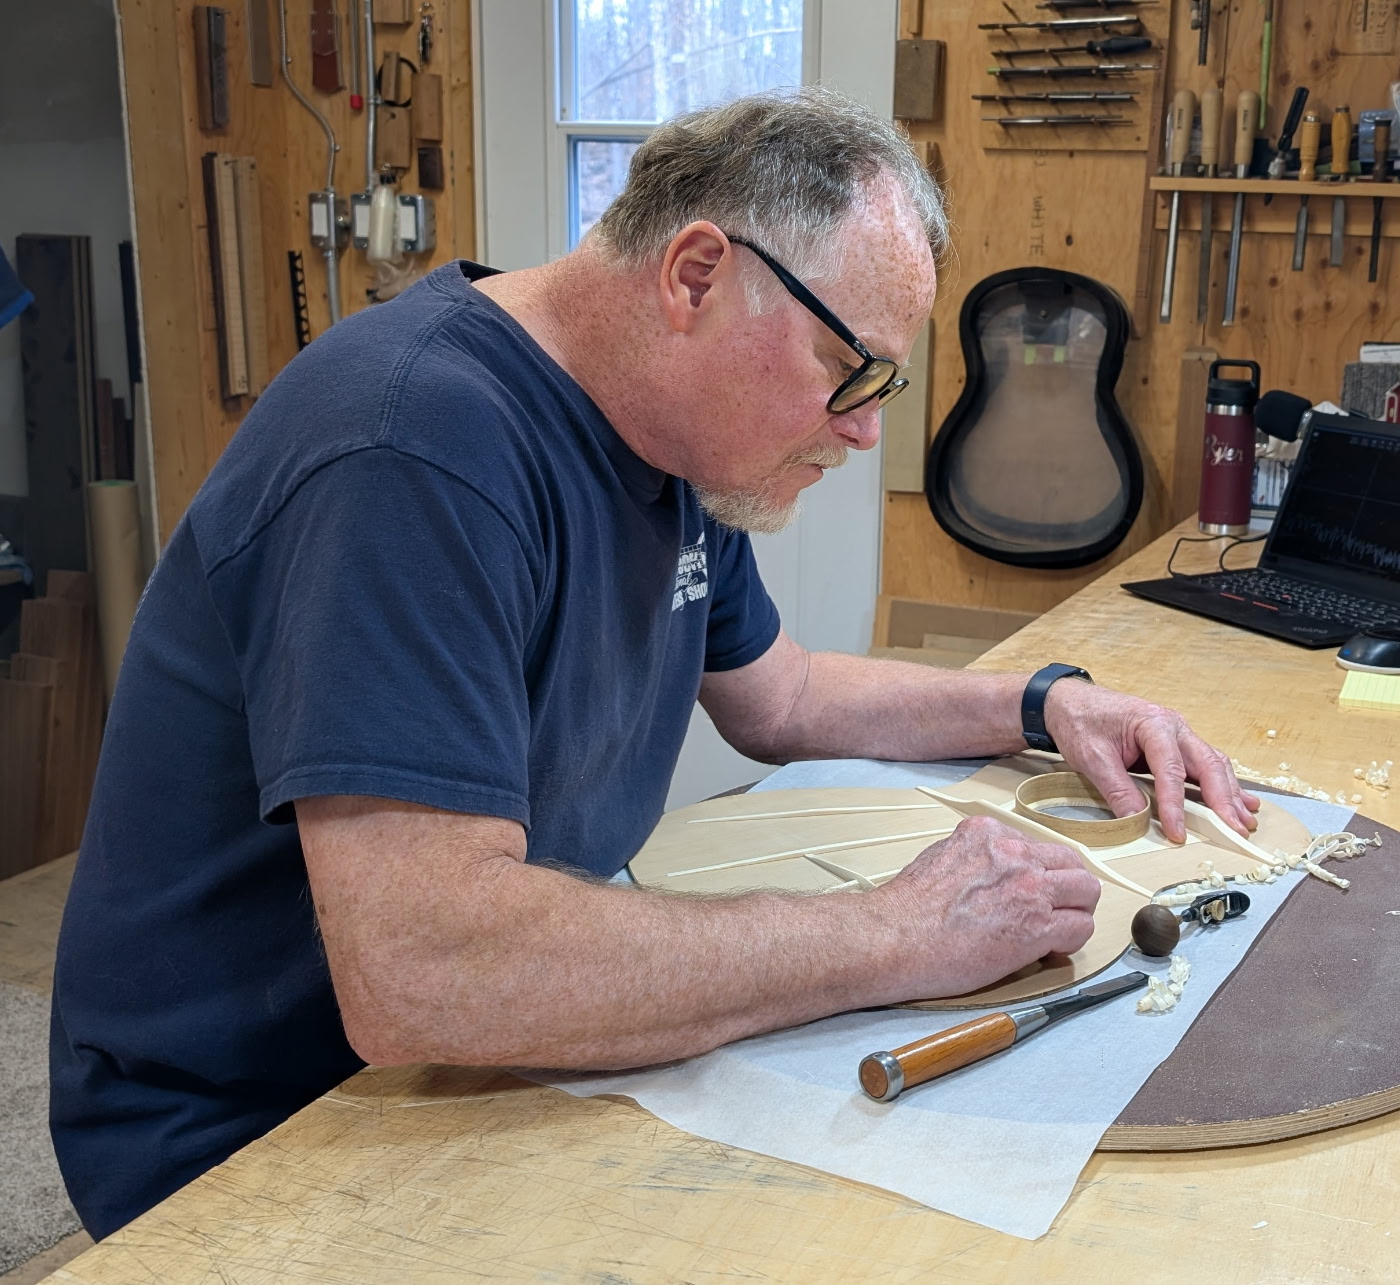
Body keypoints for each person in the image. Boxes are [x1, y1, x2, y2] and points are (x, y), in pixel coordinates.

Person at [48, 87, 1256, 1239]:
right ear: (695, 276)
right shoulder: (411, 448)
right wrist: (894, 932)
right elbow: (425, 968)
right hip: (257, 1122)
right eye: (851, 367)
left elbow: (782, 694)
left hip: (483, 1045)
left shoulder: (668, 446)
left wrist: (1044, 703)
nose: (863, 427)